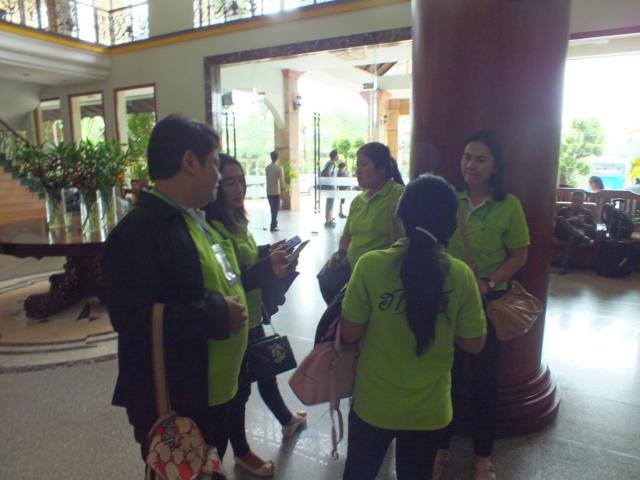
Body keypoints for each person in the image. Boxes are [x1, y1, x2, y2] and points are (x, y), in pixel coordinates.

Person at [103, 114, 248, 468]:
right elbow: (131, 318)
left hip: (212, 389)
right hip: (178, 398)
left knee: (208, 466)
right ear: (189, 162)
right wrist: (217, 314)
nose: (218, 175)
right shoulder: (139, 232)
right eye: (214, 164)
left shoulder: (192, 218)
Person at [340, 174, 487, 480]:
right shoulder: (460, 275)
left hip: (374, 403)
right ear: (450, 225)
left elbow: (350, 332)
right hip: (429, 410)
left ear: (402, 216)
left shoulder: (370, 265)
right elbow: (474, 343)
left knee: (358, 473)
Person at [204, 154, 307, 477]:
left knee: (263, 368)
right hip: (233, 318)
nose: (238, 189)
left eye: (240, 181)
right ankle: (242, 452)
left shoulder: (237, 219)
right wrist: (266, 266)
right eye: (229, 183)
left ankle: (285, 420)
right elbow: (232, 277)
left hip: (252, 313)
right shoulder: (212, 228)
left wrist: (268, 253)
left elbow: (245, 260)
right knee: (239, 389)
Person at [436, 129, 530, 480]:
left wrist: (488, 282)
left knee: (484, 384)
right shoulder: (448, 198)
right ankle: (439, 449)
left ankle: (482, 458)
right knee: (443, 377)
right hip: (447, 303)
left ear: (495, 167)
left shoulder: (508, 205)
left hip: (487, 305)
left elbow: (519, 255)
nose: (470, 165)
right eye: (466, 157)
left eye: (480, 159)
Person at [338, 142, 405, 270]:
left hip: (381, 276)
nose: (357, 171)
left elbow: (408, 239)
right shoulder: (358, 201)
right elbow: (346, 236)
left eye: (363, 165)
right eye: (357, 166)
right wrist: (341, 258)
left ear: (382, 168)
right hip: (352, 276)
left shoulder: (399, 196)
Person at [555, 190, 595, 275]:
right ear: (571, 199)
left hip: (577, 235)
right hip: (563, 234)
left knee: (573, 236)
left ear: (583, 201)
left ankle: (565, 267)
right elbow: (556, 224)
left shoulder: (587, 212)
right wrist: (569, 220)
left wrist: (583, 224)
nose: (577, 203)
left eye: (580, 201)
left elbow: (593, 228)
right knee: (560, 219)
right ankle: (581, 236)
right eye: (575, 200)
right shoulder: (563, 210)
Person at [266, 150, 284, 232]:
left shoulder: (267, 168)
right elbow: (282, 181)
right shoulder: (279, 168)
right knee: (275, 209)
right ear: (277, 158)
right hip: (276, 192)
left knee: (272, 209)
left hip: (269, 191)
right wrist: (283, 189)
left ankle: (275, 223)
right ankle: (272, 226)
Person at [321, 149, 339, 228]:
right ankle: (328, 221)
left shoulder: (328, 162)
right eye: (337, 155)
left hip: (328, 186)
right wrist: (332, 181)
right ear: (335, 156)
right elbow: (328, 173)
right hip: (330, 186)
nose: (338, 157)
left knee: (329, 203)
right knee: (330, 204)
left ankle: (329, 219)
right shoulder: (332, 163)